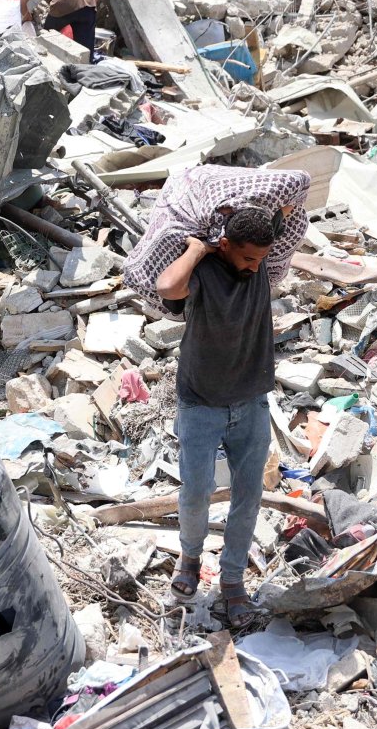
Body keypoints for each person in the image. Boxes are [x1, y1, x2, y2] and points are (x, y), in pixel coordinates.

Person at [123, 165, 310, 623]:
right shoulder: (203, 273)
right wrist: (196, 246)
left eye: (261, 260)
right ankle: (189, 559)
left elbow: (294, 194)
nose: (256, 267)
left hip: (251, 402)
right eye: (247, 259)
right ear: (224, 246)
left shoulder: (263, 263)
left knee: (248, 497)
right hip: (200, 402)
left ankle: (232, 581)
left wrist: (264, 231)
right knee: (195, 494)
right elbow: (166, 286)